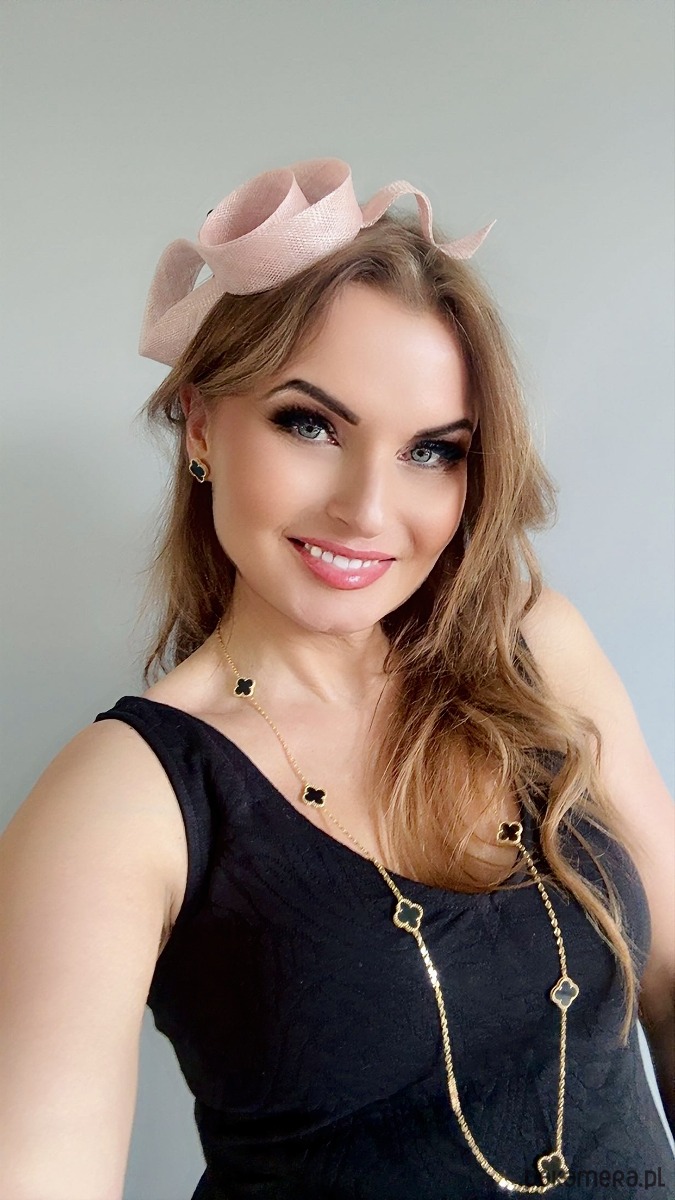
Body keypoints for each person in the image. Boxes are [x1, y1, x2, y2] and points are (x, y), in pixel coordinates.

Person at [0, 158, 673, 1200]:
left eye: (431, 451)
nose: (367, 510)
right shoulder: (124, 795)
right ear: (202, 425)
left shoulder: (536, 650)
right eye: (310, 425)